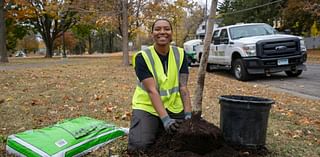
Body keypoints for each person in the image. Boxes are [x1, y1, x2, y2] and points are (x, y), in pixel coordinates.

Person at [128, 18, 192, 151]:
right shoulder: (142, 57)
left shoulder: (180, 54)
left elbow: (183, 87)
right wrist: (166, 120)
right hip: (147, 106)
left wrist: (188, 115)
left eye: (166, 29)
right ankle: (156, 125)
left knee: (189, 138)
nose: (162, 32)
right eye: (157, 29)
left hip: (173, 105)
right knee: (139, 146)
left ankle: (157, 127)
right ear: (152, 34)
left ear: (172, 33)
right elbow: (152, 91)